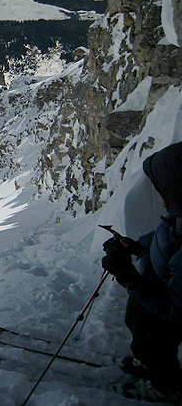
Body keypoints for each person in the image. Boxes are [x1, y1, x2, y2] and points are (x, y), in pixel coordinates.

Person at [101, 141, 182, 403]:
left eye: (161, 188)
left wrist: (127, 276)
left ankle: (165, 386)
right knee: (138, 319)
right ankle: (147, 362)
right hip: (157, 288)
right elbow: (161, 237)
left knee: (156, 339)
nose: (158, 194)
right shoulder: (178, 217)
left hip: (167, 308)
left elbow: (175, 312)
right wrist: (134, 246)